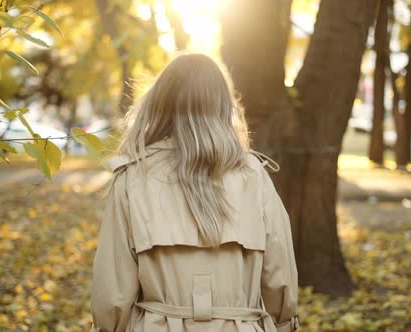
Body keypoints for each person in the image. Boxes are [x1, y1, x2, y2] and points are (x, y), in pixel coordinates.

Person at [91, 54, 298, 332]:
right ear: (223, 105)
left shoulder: (133, 178)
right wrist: (284, 324)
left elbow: (113, 288)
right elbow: (279, 271)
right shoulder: (252, 175)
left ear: (160, 104)